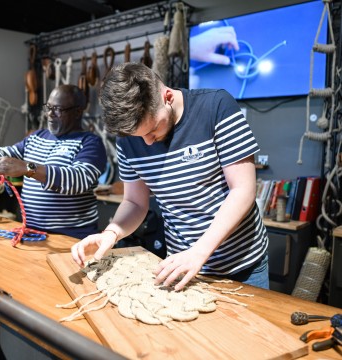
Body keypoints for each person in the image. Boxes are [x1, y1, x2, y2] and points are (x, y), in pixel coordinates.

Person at [71, 62, 269, 290]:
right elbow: (135, 202)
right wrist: (112, 233)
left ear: (167, 96)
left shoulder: (216, 106)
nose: (147, 141)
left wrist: (199, 252)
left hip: (242, 265)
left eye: (153, 129)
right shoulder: (127, 138)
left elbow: (242, 189)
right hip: (179, 265)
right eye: (138, 136)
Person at [0, 84, 107, 239]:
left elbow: (78, 180)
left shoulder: (90, 143)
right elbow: (4, 154)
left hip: (72, 237)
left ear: (77, 112)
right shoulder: (37, 137)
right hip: (32, 233)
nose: (50, 114)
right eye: (48, 107)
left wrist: (28, 168)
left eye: (58, 109)